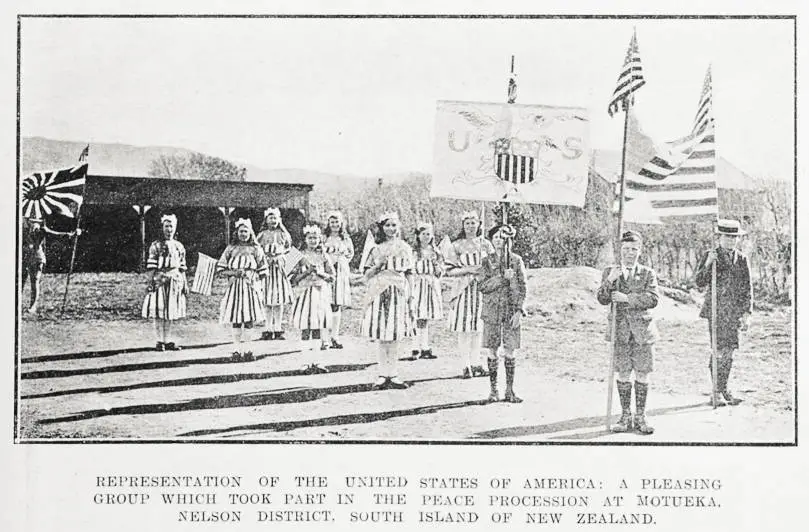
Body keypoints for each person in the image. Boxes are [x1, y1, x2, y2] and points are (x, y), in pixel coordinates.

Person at [597, 230, 659, 435]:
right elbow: (602, 299)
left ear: (640, 251)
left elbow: (653, 299)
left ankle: (640, 416)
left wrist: (627, 298)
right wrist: (610, 281)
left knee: (642, 373)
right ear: (620, 250)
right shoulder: (610, 271)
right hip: (620, 330)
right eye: (625, 249)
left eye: (634, 249)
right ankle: (625, 415)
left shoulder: (648, 273)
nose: (629, 253)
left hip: (642, 332)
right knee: (623, 372)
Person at [694, 219, 752, 407]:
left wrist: (746, 314)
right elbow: (699, 282)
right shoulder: (710, 255)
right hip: (715, 311)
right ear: (719, 237)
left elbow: (747, 289)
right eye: (727, 237)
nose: (730, 241)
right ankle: (715, 391)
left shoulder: (742, 259)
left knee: (729, 352)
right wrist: (708, 264)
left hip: (733, 313)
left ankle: (724, 389)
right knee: (718, 351)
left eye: (734, 237)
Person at [361, 212, 414, 390]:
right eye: (387, 225)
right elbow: (366, 275)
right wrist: (378, 265)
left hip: (398, 291)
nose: (391, 229)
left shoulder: (405, 247)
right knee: (383, 334)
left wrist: (411, 294)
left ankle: (394, 373)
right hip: (380, 291)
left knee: (395, 334)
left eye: (393, 225)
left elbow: (409, 272)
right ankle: (383, 374)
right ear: (382, 228)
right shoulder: (376, 248)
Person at [479, 224, 526, 403]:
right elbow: (482, 286)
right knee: (492, 348)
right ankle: (493, 390)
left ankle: (510, 390)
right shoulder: (486, 261)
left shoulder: (516, 261)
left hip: (510, 311)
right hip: (491, 311)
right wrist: (500, 278)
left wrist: (519, 310)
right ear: (492, 240)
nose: (500, 241)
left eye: (504, 238)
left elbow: (523, 288)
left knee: (510, 349)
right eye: (496, 237)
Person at [445, 210, 494, 378]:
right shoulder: (456, 245)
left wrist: (486, 271)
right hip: (463, 290)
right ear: (463, 225)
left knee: (478, 328)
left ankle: (476, 362)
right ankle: (465, 365)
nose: (471, 226)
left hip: (481, 290)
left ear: (479, 224)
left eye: (474, 223)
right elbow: (449, 270)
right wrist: (469, 270)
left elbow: (495, 266)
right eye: (467, 223)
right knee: (464, 328)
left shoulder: (485, 244)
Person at [217, 218, 269, 362]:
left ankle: (248, 350)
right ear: (237, 233)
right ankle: (236, 350)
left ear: (250, 232)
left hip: (250, 288)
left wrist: (257, 283)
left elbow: (264, 270)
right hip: (235, 288)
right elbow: (221, 269)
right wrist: (234, 273)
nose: (243, 234)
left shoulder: (256, 249)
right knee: (236, 319)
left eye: (246, 231)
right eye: (241, 231)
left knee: (249, 319)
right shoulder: (230, 249)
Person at [289, 224, 336, 373]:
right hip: (304, 293)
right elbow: (290, 278)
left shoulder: (323, 255)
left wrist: (321, 274)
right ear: (305, 239)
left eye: (315, 238)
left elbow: (332, 277)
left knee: (317, 328)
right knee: (305, 328)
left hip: (319, 293)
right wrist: (306, 272)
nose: (313, 240)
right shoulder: (297, 255)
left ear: (319, 239)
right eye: (310, 238)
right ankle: (305, 363)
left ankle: (317, 362)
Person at [141, 214, 188, 351]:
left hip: (174, 281)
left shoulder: (179, 246)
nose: (169, 229)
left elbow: (182, 267)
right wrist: (150, 282)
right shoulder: (156, 246)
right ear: (162, 228)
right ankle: (159, 340)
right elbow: (151, 267)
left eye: (171, 226)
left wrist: (184, 283)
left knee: (170, 311)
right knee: (159, 310)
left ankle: (167, 340)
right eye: (166, 226)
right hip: (159, 281)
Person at [21, 216, 80, 314]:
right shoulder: (20, 228)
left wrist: (72, 234)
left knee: (34, 280)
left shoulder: (42, 230)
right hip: (22, 257)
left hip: (36, 257)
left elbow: (57, 235)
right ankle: (17, 304)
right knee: (20, 281)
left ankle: (33, 306)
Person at [405, 222, 444, 361]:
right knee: (416, 315)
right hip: (418, 283)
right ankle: (415, 347)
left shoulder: (436, 251)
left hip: (430, 284)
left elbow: (439, 271)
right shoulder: (414, 252)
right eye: (423, 234)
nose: (426, 237)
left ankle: (425, 346)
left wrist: (437, 266)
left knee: (425, 316)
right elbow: (410, 269)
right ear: (418, 235)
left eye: (429, 234)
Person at [256, 208, 294, 340]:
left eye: (275, 218)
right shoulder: (261, 235)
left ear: (279, 220)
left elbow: (289, 249)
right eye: (270, 218)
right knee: (267, 298)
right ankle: (268, 328)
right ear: (266, 220)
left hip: (279, 269)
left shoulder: (283, 234)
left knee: (278, 299)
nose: (273, 221)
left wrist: (281, 259)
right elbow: (257, 250)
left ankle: (277, 328)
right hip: (266, 268)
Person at [322, 211, 354, 349]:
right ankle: (324, 339)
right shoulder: (324, 238)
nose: (334, 225)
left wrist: (342, 262)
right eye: (332, 222)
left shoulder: (345, 239)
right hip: (327, 272)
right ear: (328, 224)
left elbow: (350, 254)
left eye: (337, 222)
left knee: (336, 304)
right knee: (325, 304)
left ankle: (335, 336)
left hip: (340, 272)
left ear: (341, 224)